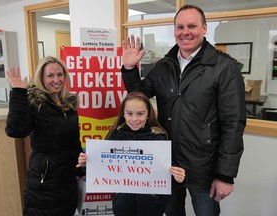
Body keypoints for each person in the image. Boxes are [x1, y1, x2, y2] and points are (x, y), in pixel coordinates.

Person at [120, 4, 246, 216]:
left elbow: (233, 124)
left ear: (204, 28)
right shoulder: (164, 65)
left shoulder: (225, 67)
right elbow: (138, 96)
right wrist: (130, 69)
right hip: (168, 165)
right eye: (180, 27)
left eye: (192, 26)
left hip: (203, 169)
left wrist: (225, 175)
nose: (185, 32)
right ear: (174, 30)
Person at [77, 92, 186, 216]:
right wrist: (87, 164)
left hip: (151, 205)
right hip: (123, 205)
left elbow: (169, 171)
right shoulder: (115, 136)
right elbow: (102, 169)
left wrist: (179, 177)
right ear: (123, 114)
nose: (134, 119)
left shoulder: (159, 137)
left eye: (140, 114)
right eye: (129, 114)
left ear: (148, 114)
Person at [5, 56, 85, 216]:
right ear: (41, 78)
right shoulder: (34, 103)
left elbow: (73, 140)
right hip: (44, 183)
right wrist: (19, 92)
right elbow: (16, 130)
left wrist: (81, 165)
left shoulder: (68, 103)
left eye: (60, 74)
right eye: (50, 76)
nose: (56, 80)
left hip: (67, 181)